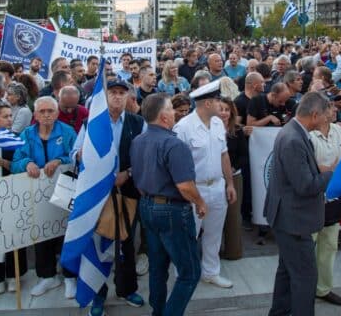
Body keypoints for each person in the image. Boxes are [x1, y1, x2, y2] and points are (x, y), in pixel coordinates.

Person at [72, 79, 147, 313]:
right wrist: (81, 155)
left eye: (121, 93)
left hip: (127, 193)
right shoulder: (92, 123)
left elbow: (145, 157)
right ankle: (97, 294)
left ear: (128, 97)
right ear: (104, 98)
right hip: (97, 196)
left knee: (126, 242)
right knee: (97, 245)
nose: (117, 96)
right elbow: (74, 153)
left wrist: (128, 173)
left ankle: (126, 289)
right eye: (112, 92)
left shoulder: (138, 123)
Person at [131, 93, 208, 316]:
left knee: (158, 267)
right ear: (164, 116)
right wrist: (200, 202)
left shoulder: (138, 141)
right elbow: (185, 186)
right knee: (190, 273)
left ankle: (157, 311)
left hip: (147, 206)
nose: (175, 113)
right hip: (172, 210)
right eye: (171, 109)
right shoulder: (175, 144)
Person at [264, 91, 335, 316]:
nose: (327, 119)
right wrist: (331, 174)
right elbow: (305, 186)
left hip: (288, 217)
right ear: (314, 115)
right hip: (293, 221)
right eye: (325, 115)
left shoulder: (293, 132)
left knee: (287, 272)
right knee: (305, 277)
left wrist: (318, 171)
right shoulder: (294, 139)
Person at [173, 80, 237, 289]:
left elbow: (224, 155)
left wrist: (229, 184)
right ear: (208, 103)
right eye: (218, 100)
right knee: (188, 235)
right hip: (194, 190)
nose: (221, 105)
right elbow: (176, 165)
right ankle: (184, 275)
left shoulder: (217, 123)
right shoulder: (183, 127)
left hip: (217, 187)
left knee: (213, 234)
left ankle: (211, 272)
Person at [11, 96, 75, 297]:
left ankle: (70, 276)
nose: (46, 115)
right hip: (37, 196)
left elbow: (76, 157)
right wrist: (27, 163)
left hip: (64, 192)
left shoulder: (67, 132)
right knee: (41, 235)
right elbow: (15, 162)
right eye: (42, 111)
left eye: (50, 111)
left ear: (57, 113)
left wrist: (59, 160)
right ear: (35, 115)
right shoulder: (27, 134)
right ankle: (47, 277)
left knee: (67, 234)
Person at [309, 99, 341, 307]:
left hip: (331, 198)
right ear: (319, 112)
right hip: (311, 200)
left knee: (329, 246)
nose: (335, 110)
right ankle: (303, 288)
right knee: (307, 246)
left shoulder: (338, 131)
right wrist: (331, 170)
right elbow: (308, 167)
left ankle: (323, 289)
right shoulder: (308, 135)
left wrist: (340, 167)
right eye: (330, 108)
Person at [0, 102, 29, 294]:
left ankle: (14, 275)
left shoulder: (18, 139)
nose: (10, 120)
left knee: (14, 234)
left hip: (13, 193)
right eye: (5, 116)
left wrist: (6, 163)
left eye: (11, 116)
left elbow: (24, 163)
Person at [218, 98, 251, 260]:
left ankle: (233, 252)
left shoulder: (237, 131)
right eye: (221, 109)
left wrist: (231, 169)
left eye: (227, 110)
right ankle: (212, 252)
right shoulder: (207, 129)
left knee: (233, 216)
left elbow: (244, 156)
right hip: (213, 179)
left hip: (234, 177)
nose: (224, 113)